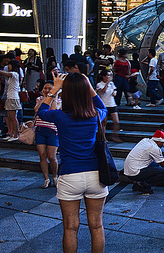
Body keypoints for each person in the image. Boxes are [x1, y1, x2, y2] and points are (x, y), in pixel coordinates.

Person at [36, 72, 108, 253]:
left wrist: (55, 89)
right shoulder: (95, 115)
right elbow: (103, 107)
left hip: (70, 176)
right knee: (97, 225)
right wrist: (89, 87)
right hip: (96, 175)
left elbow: (41, 112)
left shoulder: (60, 116)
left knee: (70, 227)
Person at [34, 81, 59, 188]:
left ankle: (55, 176)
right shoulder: (39, 99)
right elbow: (36, 110)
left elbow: (53, 111)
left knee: (52, 156)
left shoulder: (59, 100)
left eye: (50, 88)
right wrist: (45, 98)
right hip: (40, 130)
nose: (47, 90)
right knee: (42, 155)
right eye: (45, 88)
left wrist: (52, 97)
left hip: (52, 131)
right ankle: (46, 179)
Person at [95, 69, 122, 143]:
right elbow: (102, 91)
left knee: (116, 122)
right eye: (108, 75)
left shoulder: (112, 84)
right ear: (104, 76)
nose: (109, 77)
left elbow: (115, 90)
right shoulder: (99, 84)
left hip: (112, 104)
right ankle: (103, 138)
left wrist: (114, 92)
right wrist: (107, 83)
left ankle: (115, 135)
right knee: (104, 123)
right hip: (104, 105)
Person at [0, 59, 21, 141]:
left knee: (13, 118)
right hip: (10, 97)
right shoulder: (13, 75)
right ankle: (12, 133)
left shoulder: (15, 74)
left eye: (9, 65)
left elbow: (4, 73)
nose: (8, 66)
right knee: (10, 118)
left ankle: (16, 135)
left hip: (13, 97)